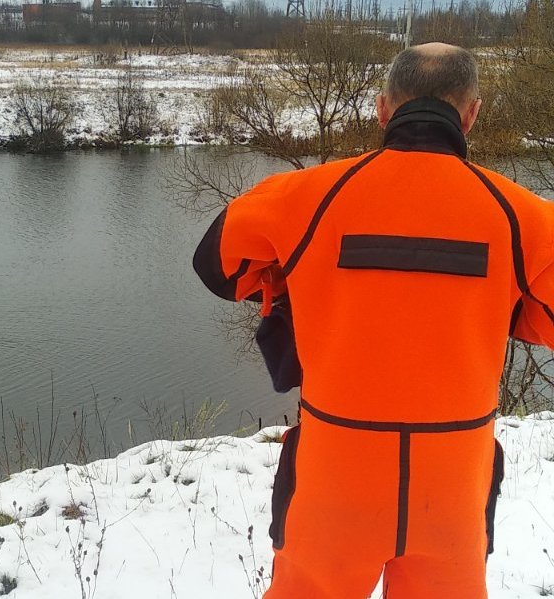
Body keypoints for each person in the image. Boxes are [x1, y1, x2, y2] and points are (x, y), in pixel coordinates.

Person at [193, 42, 554, 598]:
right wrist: (498, 306)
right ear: (471, 114)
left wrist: (297, 283)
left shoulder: (309, 196)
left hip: (336, 476)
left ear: (383, 109)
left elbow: (219, 268)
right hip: (453, 484)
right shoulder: (520, 216)